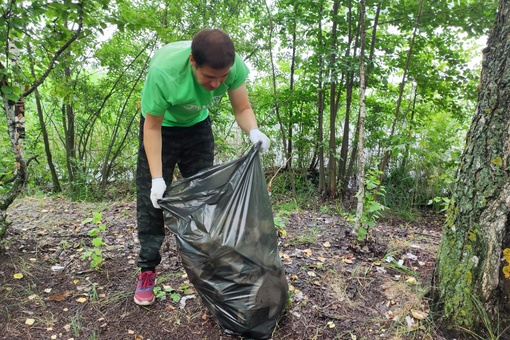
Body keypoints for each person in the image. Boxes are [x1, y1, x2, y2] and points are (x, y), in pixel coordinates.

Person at [134, 28, 270, 305]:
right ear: (193, 62)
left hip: (197, 128)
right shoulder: (165, 71)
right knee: (151, 202)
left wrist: (253, 131)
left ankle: (209, 268)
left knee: (206, 200)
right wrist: (159, 178)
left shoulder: (233, 67)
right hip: (162, 130)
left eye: (222, 78)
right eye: (209, 77)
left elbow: (242, 108)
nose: (215, 84)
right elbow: (152, 125)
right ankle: (147, 269)